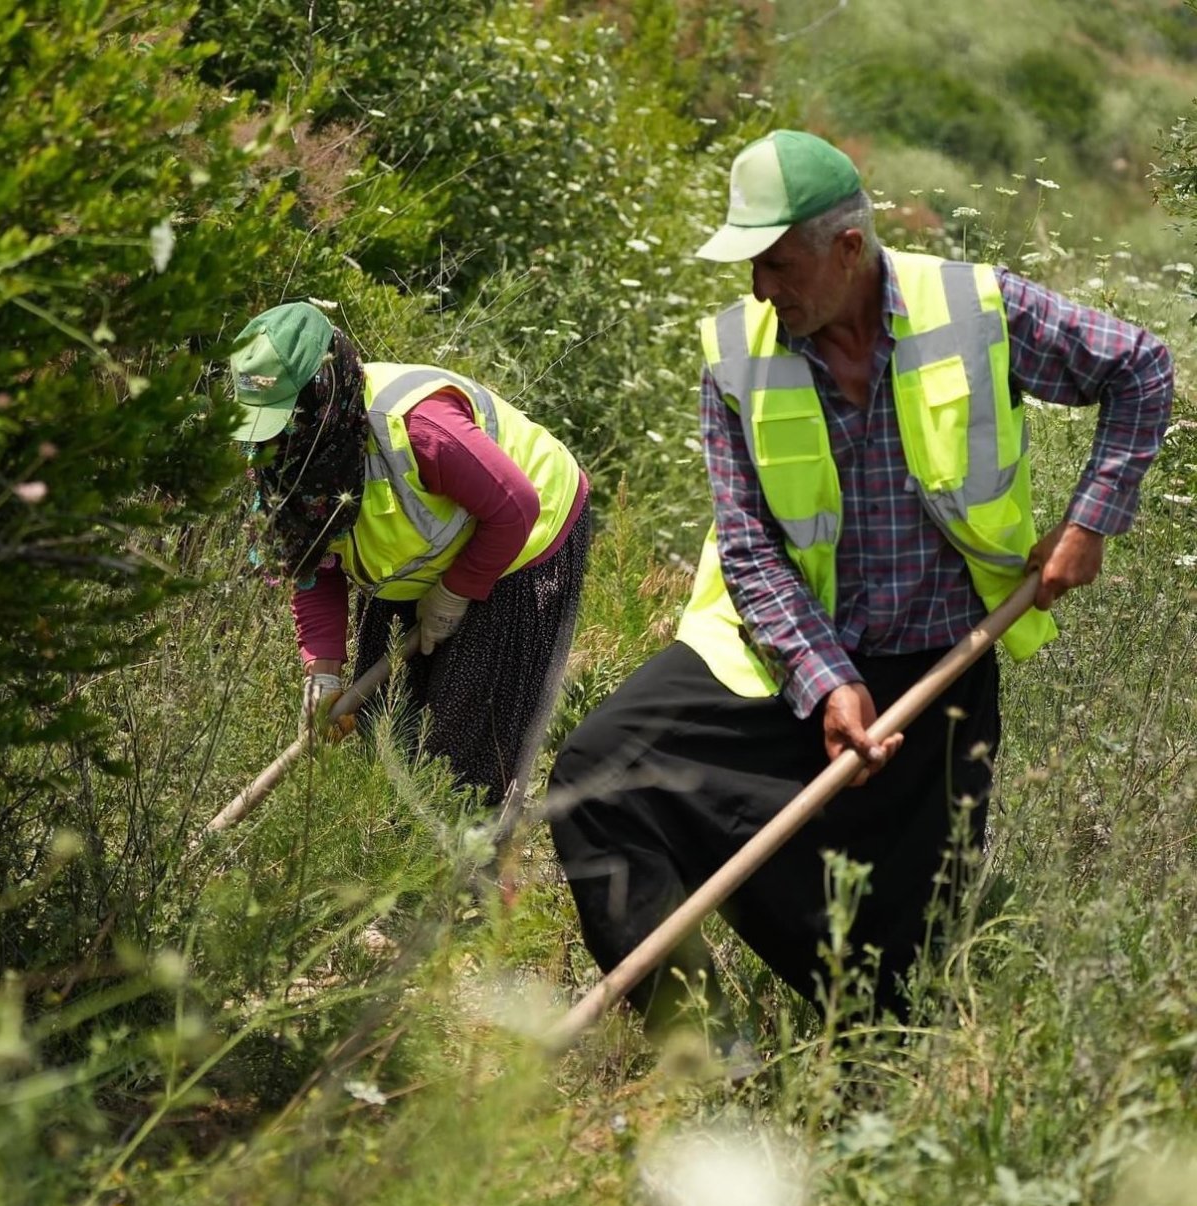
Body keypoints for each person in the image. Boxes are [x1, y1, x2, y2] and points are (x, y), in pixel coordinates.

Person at [548, 130, 1173, 1050]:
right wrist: (827, 679)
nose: (762, 288)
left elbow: (1141, 368)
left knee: (901, 977)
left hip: (941, 663)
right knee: (599, 776)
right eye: (751, 265)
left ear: (848, 248)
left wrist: (1091, 523)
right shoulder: (735, 355)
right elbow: (749, 543)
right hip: (777, 654)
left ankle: (870, 1086)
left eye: (777, 262)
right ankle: (708, 1059)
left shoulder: (975, 310)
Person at [230, 301, 590, 812]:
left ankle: (471, 877)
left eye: (284, 417)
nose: (276, 438)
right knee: (384, 727)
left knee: (460, 747)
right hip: (416, 563)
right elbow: (312, 563)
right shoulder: (280, 458)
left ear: (321, 393)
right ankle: (392, 869)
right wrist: (323, 672)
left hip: (524, 544)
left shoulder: (415, 425)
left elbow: (515, 508)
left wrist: (455, 592)